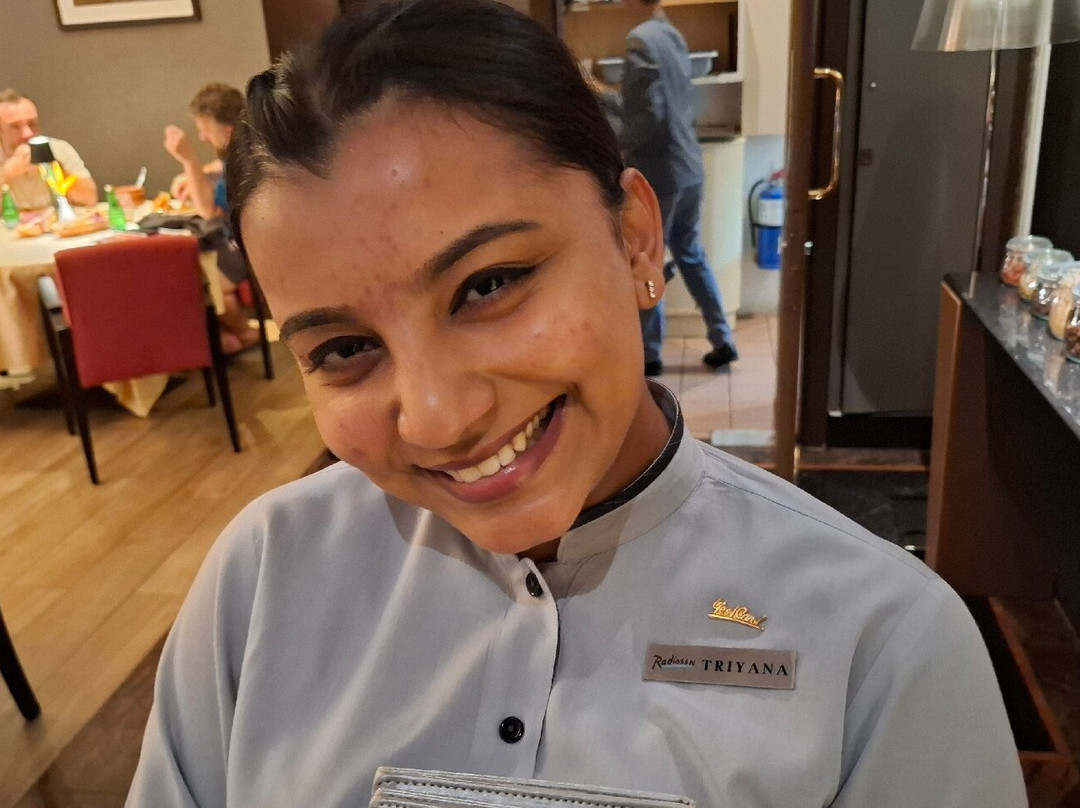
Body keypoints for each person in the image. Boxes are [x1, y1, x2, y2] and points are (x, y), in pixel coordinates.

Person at [126, 3, 1025, 807]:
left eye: (489, 285)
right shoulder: (262, 580)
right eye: (343, 350)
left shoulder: (882, 645)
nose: (437, 418)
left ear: (635, 238)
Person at [619, 0, 737, 377]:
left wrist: (620, 146)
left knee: (648, 257)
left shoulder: (639, 39)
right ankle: (723, 338)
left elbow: (647, 113)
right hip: (689, 164)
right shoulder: (672, 34)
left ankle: (650, 353)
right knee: (690, 250)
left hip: (660, 172)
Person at [163, 83, 260, 354]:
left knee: (205, 274)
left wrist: (190, 162)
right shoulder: (245, 149)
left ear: (228, 132)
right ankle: (222, 337)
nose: (203, 137)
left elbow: (207, 210)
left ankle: (243, 333)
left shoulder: (244, 162)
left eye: (205, 130)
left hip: (251, 242)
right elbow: (219, 173)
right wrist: (202, 173)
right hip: (239, 236)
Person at [0, 89, 97, 210]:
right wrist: (8, 172)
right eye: (15, 127)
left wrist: (56, 169)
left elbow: (89, 199)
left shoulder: (59, 149)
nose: (28, 133)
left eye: (32, 124)